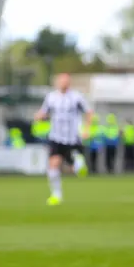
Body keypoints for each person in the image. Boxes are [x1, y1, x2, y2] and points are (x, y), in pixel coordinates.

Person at [34, 73, 92, 206]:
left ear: (69, 83)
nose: (63, 83)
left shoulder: (76, 97)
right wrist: (40, 116)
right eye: (61, 81)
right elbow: (44, 112)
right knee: (53, 164)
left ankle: (78, 163)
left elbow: (88, 112)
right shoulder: (51, 97)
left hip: (73, 136)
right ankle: (56, 194)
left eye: (66, 81)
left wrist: (87, 129)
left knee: (73, 167)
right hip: (56, 136)